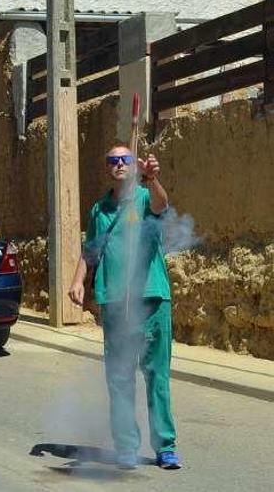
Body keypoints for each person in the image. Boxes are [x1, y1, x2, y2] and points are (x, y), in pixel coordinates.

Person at [68, 146, 180, 470]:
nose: (119, 164)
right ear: (107, 169)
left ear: (135, 166)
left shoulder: (145, 197)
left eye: (125, 160)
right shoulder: (100, 209)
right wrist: (78, 281)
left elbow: (163, 204)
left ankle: (165, 447)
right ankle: (127, 447)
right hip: (115, 302)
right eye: (113, 160)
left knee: (157, 376)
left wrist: (153, 178)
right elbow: (91, 250)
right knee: (119, 378)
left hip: (151, 299)